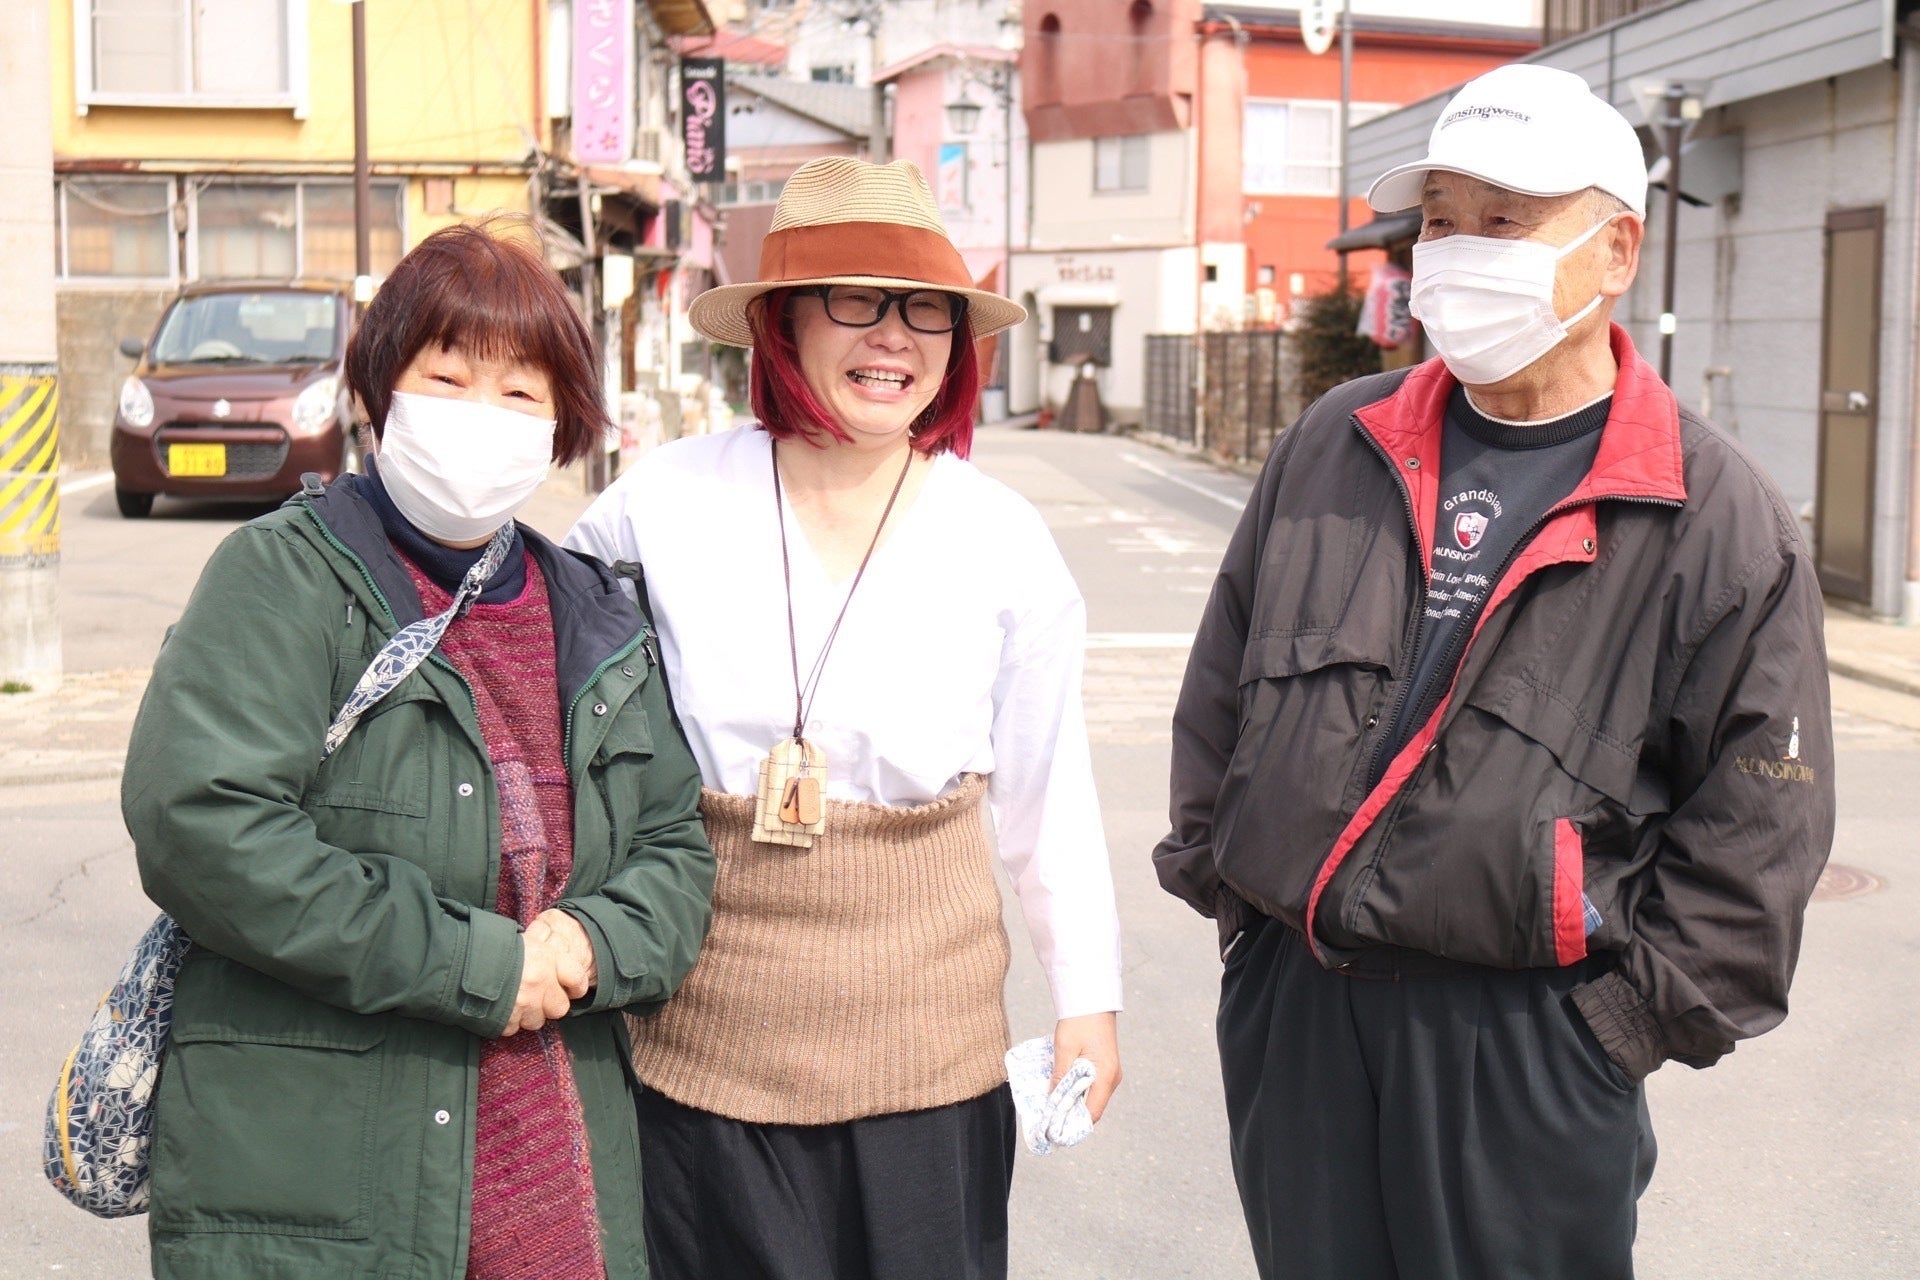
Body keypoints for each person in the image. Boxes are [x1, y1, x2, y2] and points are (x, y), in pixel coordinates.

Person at [1153, 63, 1835, 1280]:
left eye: (1504, 220)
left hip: (1525, 1042)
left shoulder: (1717, 516)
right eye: (1440, 222)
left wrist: (1612, 1031)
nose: (1458, 253)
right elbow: (1220, 696)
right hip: (1299, 1013)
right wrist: (1242, 915)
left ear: (1615, 250)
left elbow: (1759, 830)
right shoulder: (1335, 440)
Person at [123, 221, 717, 1279]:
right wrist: (479, 964)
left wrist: (588, 945)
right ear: (378, 391)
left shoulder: (596, 615)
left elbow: (675, 849)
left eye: (521, 392)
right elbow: (203, 825)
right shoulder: (283, 576)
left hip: (561, 1170)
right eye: (447, 379)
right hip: (323, 1180)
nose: (481, 417)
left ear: (563, 426)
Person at [566, 155, 1124, 1280]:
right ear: (781, 322)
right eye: (857, 301)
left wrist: (1089, 998)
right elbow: (560, 735)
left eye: (926, 309)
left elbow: (1047, 789)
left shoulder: (1000, 536)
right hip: (698, 1053)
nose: (895, 338)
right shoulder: (656, 508)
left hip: (929, 1060)